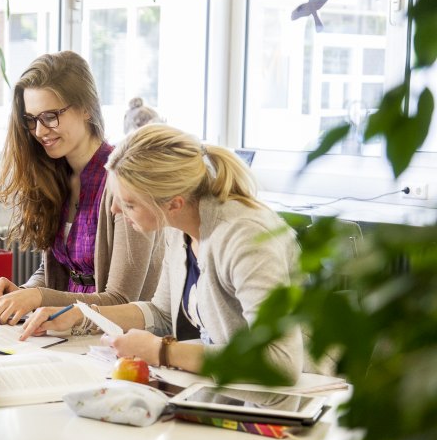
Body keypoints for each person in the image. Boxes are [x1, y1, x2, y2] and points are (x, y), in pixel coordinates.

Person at [20, 124, 304, 382]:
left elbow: (281, 362)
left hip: (289, 401)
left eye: (129, 204)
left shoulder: (246, 237)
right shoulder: (179, 226)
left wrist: (162, 352)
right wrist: (83, 316)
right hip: (219, 389)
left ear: (173, 203)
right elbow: (162, 313)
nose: (114, 211)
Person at [0, 51, 164, 328]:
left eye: (50, 116)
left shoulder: (127, 183)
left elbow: (122, 300)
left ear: (85, 107)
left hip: (120, 341)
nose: (39, 131)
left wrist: (37, 298)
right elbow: (58, 271)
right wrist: (21, 294)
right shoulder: (56, 175)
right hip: (66, 334)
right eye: (31, 119)